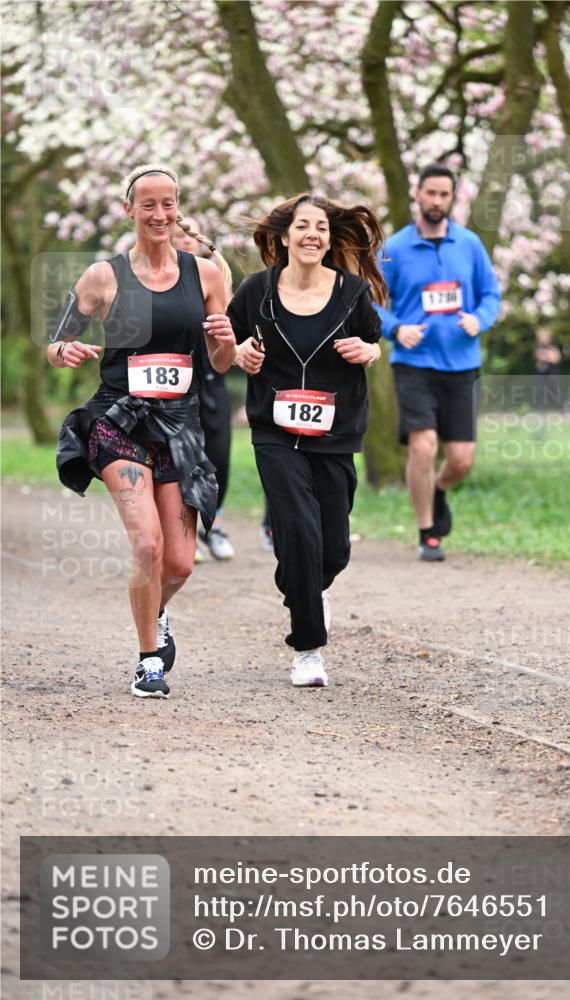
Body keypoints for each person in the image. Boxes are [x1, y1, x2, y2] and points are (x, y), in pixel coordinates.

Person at [48, 164, 236, 699]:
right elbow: (56, 344)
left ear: (178, 208)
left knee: (179, 562)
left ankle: (155, 612)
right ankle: (148, 659)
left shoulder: (207, 276)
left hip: (180, 425)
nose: (159, 214)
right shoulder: (102, 277)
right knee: (147, 544)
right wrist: (66, 351)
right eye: (148, 205)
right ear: (128, 210)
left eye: (168, 204)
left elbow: (221, 362)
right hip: (119, 423)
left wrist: (224, 340)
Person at [229, 193, 385, 687]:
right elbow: (225, 343)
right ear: (284, 236)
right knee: (296, 529)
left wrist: (367, 352)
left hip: (335, 431)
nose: (312, 234)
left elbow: (374, 343)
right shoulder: (257, 291)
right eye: (302, 226)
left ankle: (304, 588)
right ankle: (308, 651)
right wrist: (238, 355)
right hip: (275, 431)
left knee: (333, 548)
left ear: (329, 237)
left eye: (320, 226)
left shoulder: (353, 293)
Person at [376, 163, 501, 562]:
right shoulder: (394, 248)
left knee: (461, 460)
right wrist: (396, 329)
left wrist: (478, 319)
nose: (436, 201)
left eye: (444, 195)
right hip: (414, 364)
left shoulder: (469, 245)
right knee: (424, 446)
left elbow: (491, 295)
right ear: (418, 194)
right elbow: (371, 304)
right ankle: (427, 531)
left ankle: (439, 489)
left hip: (462, 364)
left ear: (452, 198)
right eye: (430, 193)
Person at [172, 216, 235, 561]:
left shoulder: (216, 279)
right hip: (177, 384)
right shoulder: (160, 281)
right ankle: (185, 529)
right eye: (178, 235)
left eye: (189, 235)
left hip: (213, 381)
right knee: (182, 458)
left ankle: (213, 521)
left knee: (219, 458)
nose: (184, 241)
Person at [533, 327, 562, 409]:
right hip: (541, 372)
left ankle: (561, 408)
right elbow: (536, 356)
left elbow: (556, 359)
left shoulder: (552, 345)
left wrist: (544, 355)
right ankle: (539, 408)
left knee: (555, 389)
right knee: (540, 389)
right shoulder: (538, 346)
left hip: (552, 371)